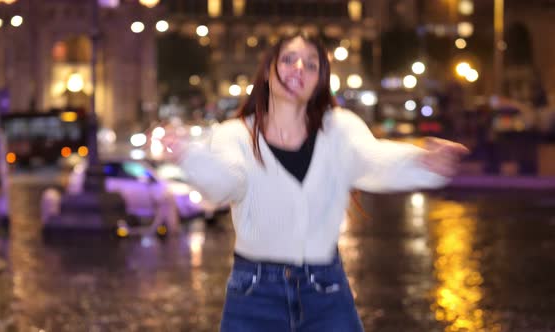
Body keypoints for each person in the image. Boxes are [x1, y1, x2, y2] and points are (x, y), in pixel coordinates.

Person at [162, 33, 468, 332]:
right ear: (268, 72)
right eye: (288, 60)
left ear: (320, 80)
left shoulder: (339, 128)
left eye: (311, 65)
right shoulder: (235, 134)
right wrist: (190, 157)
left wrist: (425, 163)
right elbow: (225, 183)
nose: (299, 69)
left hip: (326, 289)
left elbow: (373, 160)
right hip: (253, 291)